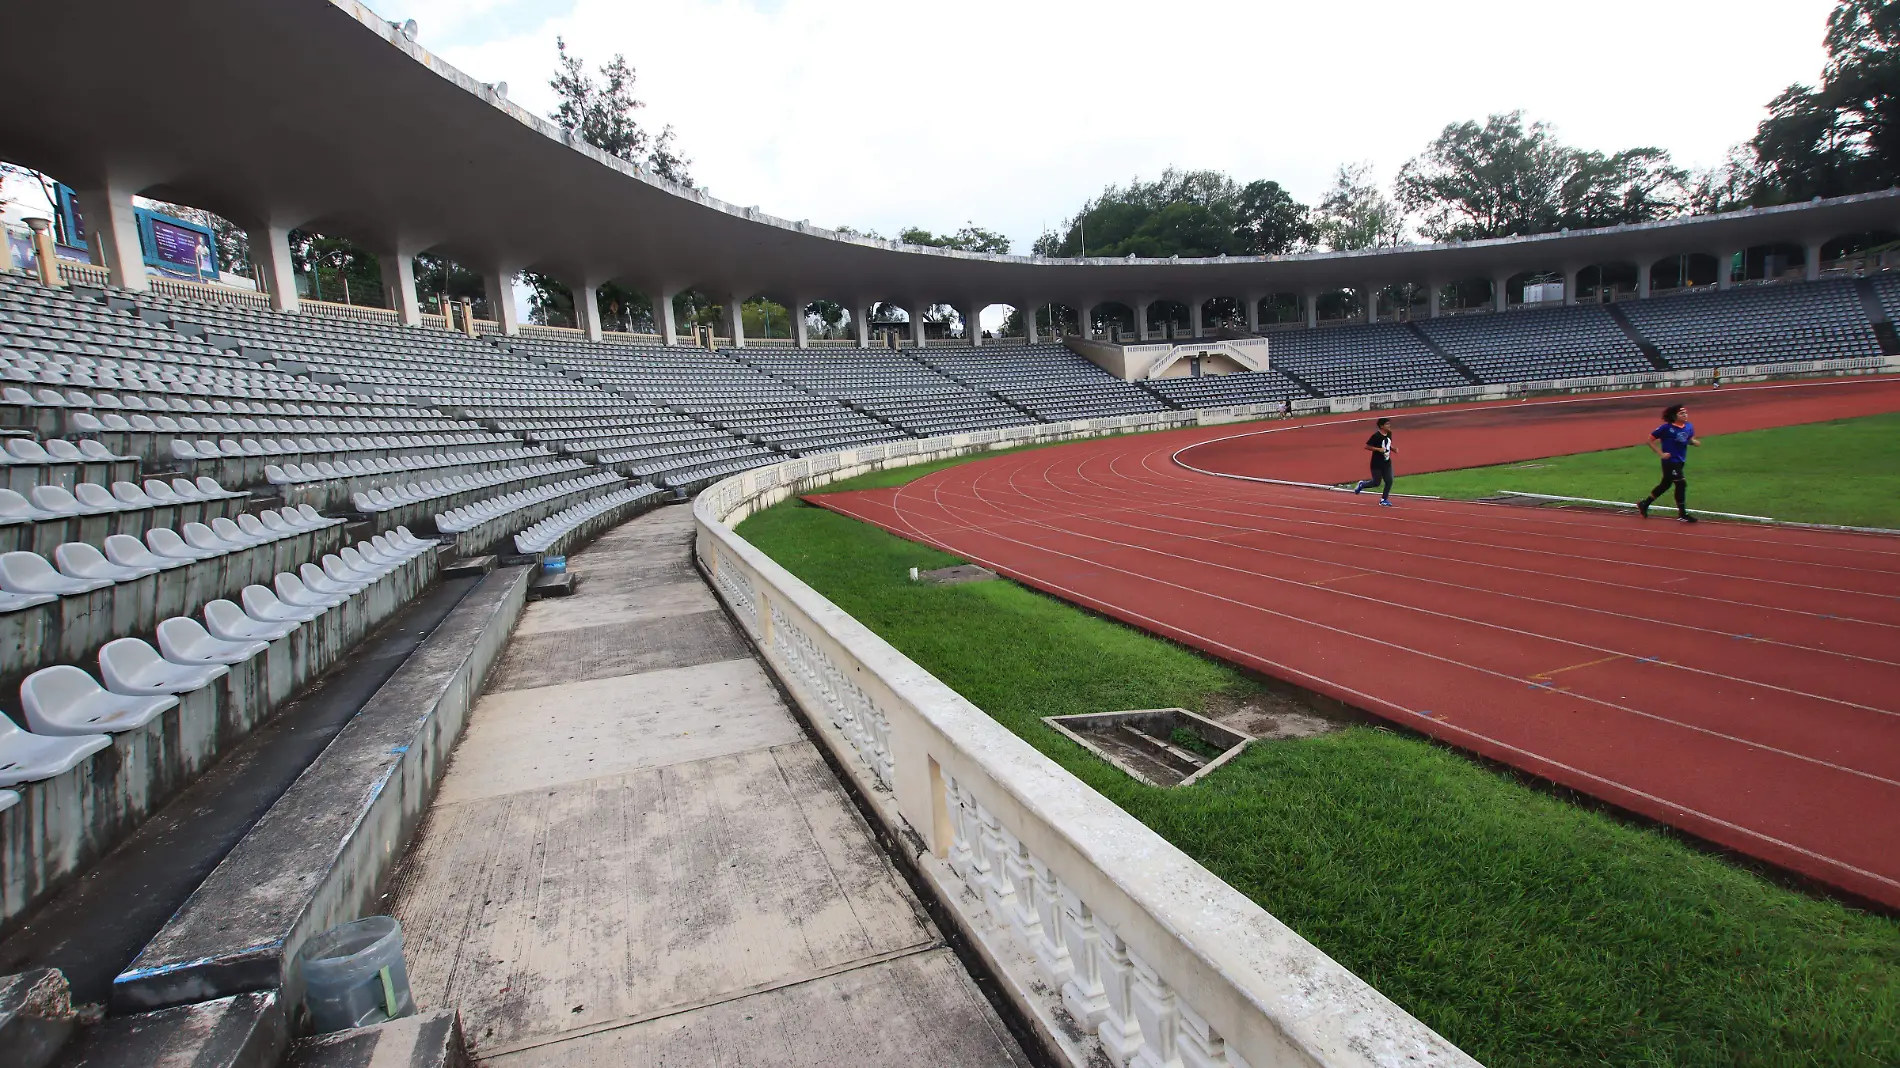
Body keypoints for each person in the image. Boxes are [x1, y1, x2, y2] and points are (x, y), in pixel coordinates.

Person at [1638, 404, 1699, 523]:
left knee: (1665, 484)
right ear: (1674, 416)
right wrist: (1661, 454)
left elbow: (1688, 439)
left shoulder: (1689, 426)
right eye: (1682, 414)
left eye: (1686, 413)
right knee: (1681, 484)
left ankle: (1644, 504)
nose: (1685, 415)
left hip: (1680, 460)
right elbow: (1649, 440)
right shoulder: (1666, 428)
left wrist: (1694, 442)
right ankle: (1682, 514)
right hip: (1670, 462)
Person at [1353, 417, 1395, 506]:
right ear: (1381, 426)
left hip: (1387, 462)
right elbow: (1367, 446)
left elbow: (1387, 444)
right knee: (1376, 483)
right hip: (1377, 463)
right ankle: (1362, 484)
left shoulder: (1389, 433)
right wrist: (1378, 449)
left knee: (1389, 480)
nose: (1389, 425)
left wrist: (1393, 449)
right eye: (1387, 424)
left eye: (1389, 423)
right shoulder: (1376, 436)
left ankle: (1383, 499)